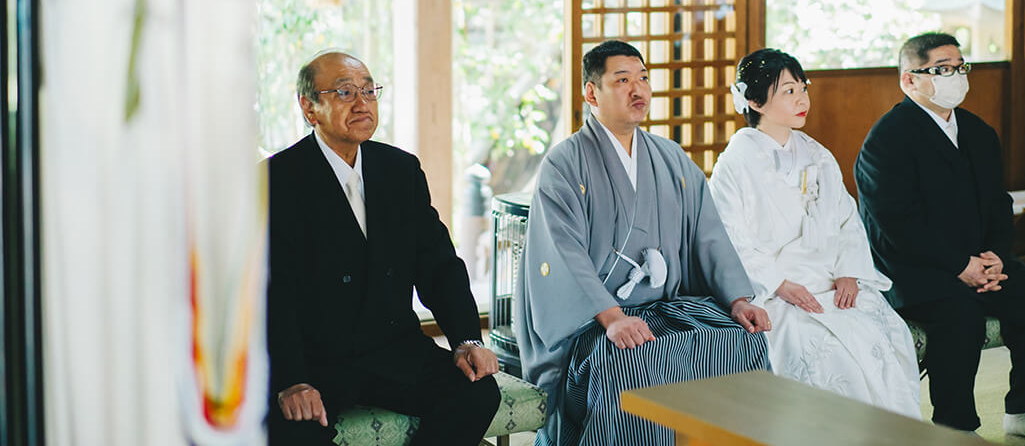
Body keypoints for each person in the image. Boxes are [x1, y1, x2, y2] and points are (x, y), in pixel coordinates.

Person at [515, 40, 772, 446]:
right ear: (591, 93)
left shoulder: (670, 157)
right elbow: (564, 253)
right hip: (595, 321)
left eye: (643, 79)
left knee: (739, 338)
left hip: (666, 307)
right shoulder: (564, 164)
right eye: (622, 80)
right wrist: (613, 317)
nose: (638, 90)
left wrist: (738, 299)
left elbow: (707, 233)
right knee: (630, 361)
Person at [267, 51, 500, 446]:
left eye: (369, 91)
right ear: (309, 107)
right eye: (345, 92)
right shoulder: (277, 180)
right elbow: (271, 292)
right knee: (291, 430)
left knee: (477, 393)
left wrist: (466, 339)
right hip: (314, 360)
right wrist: (292, 380)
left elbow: (439, 265)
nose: (362, 104)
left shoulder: (400, 170)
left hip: (392, 349)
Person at [855, 32, 1025, 444]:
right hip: (912, 268)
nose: (955, 76)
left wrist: (996, 257)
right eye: (941, 69)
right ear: (909, 80)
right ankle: (956, 427)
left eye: (959, 67)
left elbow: (998, 204)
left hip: (980, 260)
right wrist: (959, 266)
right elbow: (895, 225)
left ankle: (1024, 410)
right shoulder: (887, 139)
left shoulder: (977, 131)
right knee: (960, 317)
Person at [709, 48, 921, 418]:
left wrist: (849, 271)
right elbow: (731, 237)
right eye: (788, 91)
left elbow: (846, 218)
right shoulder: (734, 164)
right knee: (830, 354)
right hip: (777, 293)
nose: (802, 99)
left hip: (831, 280)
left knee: (887, 333)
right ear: (755, 101)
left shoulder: (817, 154)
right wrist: (779, 284)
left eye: (803, 88)